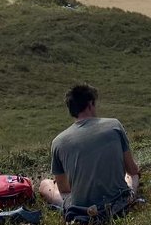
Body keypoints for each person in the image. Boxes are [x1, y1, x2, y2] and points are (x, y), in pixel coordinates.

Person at [38, 83, 141, 215]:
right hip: (120, 202)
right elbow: (132, 169)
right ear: (90, 104)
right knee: (131, 176)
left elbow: (63, 188)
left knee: (45, 184)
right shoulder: (114, 124)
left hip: (82, 210)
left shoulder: (58, 142)